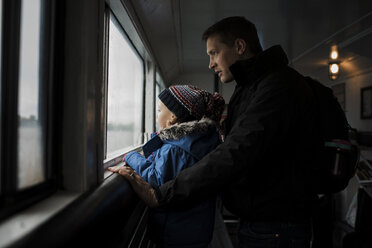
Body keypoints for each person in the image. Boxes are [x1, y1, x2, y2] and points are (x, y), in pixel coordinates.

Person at [113, 16, 321, 248]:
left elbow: (235, 152)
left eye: (214, 53)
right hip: (263, 222)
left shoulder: (277, 86)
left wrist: (162, 194)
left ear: (240, 47)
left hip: (276, 227)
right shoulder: (250, 87)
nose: (210, 64)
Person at [109, 85, 225, 248]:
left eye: (158, 111)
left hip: (176, 232)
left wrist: (131, 156)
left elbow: (156, 179)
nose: (157, 116)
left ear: (172, 117)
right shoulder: (196, 142)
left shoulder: (175, 149)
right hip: (195, 229)